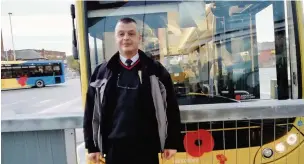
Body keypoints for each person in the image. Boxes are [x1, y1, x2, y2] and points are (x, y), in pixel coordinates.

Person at [83, 17, 182, 164]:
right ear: (116, 38)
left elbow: (171, 107)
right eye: (121, 34)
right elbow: (91, 112)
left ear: (139, 38)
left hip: (147, 148)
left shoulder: (156, 70)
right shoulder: (102, 72)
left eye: (131, 33)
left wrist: (171, 142)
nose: (126, 38)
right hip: (114, 149)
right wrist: (92, 146)